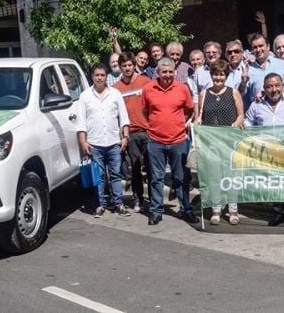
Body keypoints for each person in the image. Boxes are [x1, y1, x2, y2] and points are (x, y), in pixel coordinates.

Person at [142, 57, 199, 225]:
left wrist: (180, 124)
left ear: (174, 72)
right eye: (163, 72)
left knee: (181, 178)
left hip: (178, 140)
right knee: (156, 178)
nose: (167, 75)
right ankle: (155, 211)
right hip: (155, 141)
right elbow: (145, 111)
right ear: (158, 73)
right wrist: (153, 126)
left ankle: (186, 210)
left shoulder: (182, 89)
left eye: (170, 72)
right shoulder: (148, 89)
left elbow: (189, 110)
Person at [244, 73, 284, 227]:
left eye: (277, 85)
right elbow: (248, 121)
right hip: (268, 150)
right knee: (274, 183)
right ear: (264, 88)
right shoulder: (257, 104)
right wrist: (243, 127)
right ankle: (278, 212)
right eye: (269, 86)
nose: (273, 89)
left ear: (283, 86)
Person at [194, 59, 245, 225]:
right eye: (215, 74)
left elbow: (240, 115)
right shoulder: (204, 94)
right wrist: (197, 123)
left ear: (226, 76)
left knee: (231, 177)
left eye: (221, 75)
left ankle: (232, 210)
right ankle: (216, 208)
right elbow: (200, 116)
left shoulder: (233, 92)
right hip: (211, 144)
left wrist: (235, 124)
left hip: (229, 142)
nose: (218, 78)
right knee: (214, 177)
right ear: (211, 75)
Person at [77, 64, 131, 217]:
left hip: (114, 142)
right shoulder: (85, 96)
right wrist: (83, 142)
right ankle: (100, 205)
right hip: (94, 144)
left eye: (102, 75)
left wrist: (125, 137)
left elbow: (124, 118)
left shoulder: (116, 94)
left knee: (115, 175)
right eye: (97, 75)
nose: (99, 78)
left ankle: (118, 204)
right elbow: (81, 122)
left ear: (107, 76)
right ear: (92, 77)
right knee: (98, 176)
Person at [113, 52, 153, 213]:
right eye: (124, 66)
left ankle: (154, 201)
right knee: (135, 169)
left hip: (148, 131)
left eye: (130, 65)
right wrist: (122, 134)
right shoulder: (116, 88)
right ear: (120, 68)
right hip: (131, 133)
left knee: (151, 168)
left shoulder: (146, 82)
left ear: (134, 64)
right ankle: (138, 199)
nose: (127, 68)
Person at [242, 33, 284, 103]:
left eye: (261, 46)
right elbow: (241, 94)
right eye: (255, 47)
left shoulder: (282, 65)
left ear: (268, 46)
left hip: (281, 109)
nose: (258, 50)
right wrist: (243, 83)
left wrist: (266, 93)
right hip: (258, 110)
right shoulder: (248, 70)